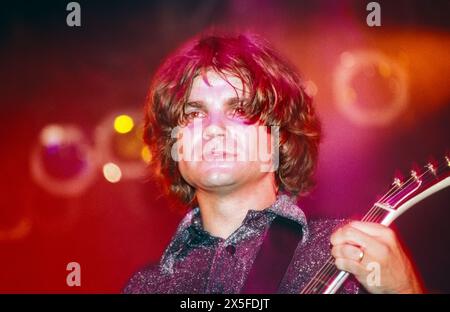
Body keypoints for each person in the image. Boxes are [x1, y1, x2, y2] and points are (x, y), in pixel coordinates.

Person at [123, 32, 423, 294]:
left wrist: (404, 289)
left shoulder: (346, 255)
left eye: (238, 108)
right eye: (194, 114)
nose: (212, 127)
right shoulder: (147, 286)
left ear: (278, 138)